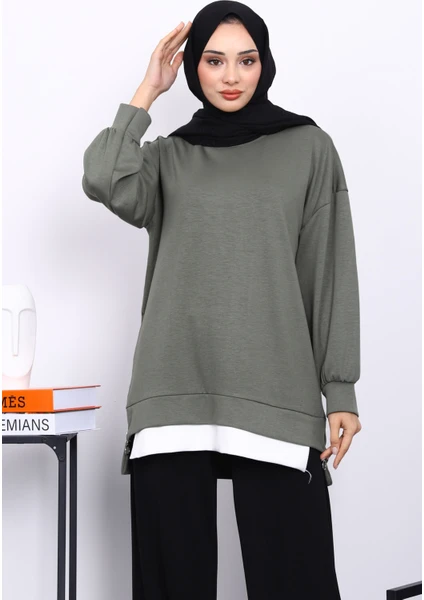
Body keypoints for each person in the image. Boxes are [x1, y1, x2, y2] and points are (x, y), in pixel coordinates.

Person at [82, 1, 362, 597]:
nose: (231, 76)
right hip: (173, 392)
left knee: (299, 581)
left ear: (265, 64)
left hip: (276, 393)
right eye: (213, 61)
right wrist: (147, 91)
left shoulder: (308, 148)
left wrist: (339, 388)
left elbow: (329, 271)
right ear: (193, 69)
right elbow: (104, 179)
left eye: (246, 60)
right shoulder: (168, 156)